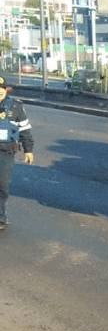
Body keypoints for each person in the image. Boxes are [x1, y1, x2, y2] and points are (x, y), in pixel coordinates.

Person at [0, 85, 34, 230]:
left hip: (6, 152)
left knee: (2, 185)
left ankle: (1, 217)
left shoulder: (15, 106)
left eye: (1, 89)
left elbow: (25, 129)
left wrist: (28, 150)